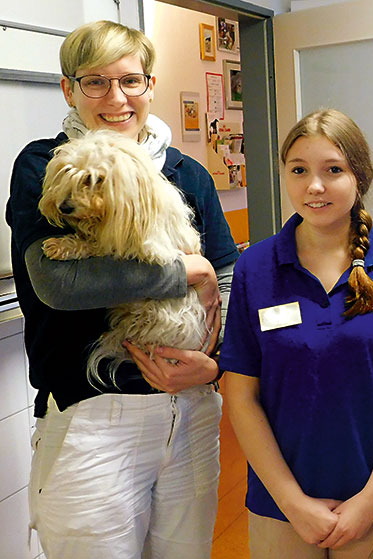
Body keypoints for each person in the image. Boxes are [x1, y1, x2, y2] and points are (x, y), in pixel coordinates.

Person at [5, 20, 239, 559]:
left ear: (150, 85)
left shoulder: (187, 173)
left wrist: (217, 362)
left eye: (130, 81)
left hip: (190, 410)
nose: (116, 98)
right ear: (69, 88)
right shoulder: (47, 166)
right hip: (94, 417)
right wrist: (187, 272)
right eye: (95, 83)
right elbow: (59, 283)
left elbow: (225, 277)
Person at [219, 108, 373, 559]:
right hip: (281, 503)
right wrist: (292, 502)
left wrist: (370, 500)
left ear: (359, 176)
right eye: (298, 170)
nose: (314, 187)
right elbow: (240, 395)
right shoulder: (256, 267)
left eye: (333, 170)